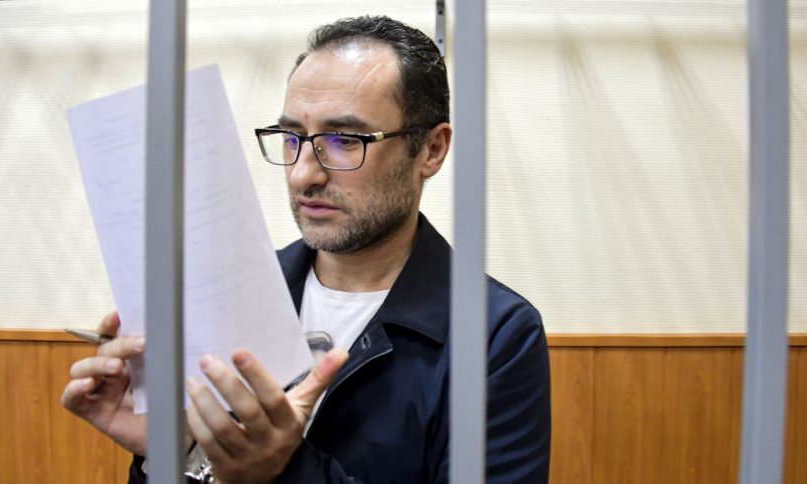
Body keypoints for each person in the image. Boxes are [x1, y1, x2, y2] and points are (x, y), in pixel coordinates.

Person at [61, 15, 550, 483]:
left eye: (344, 140)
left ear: (431, 150)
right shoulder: (235, 295)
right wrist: (172, 455)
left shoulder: (495, 335)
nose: (303, 174)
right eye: (292, 137)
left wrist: (283, 472)